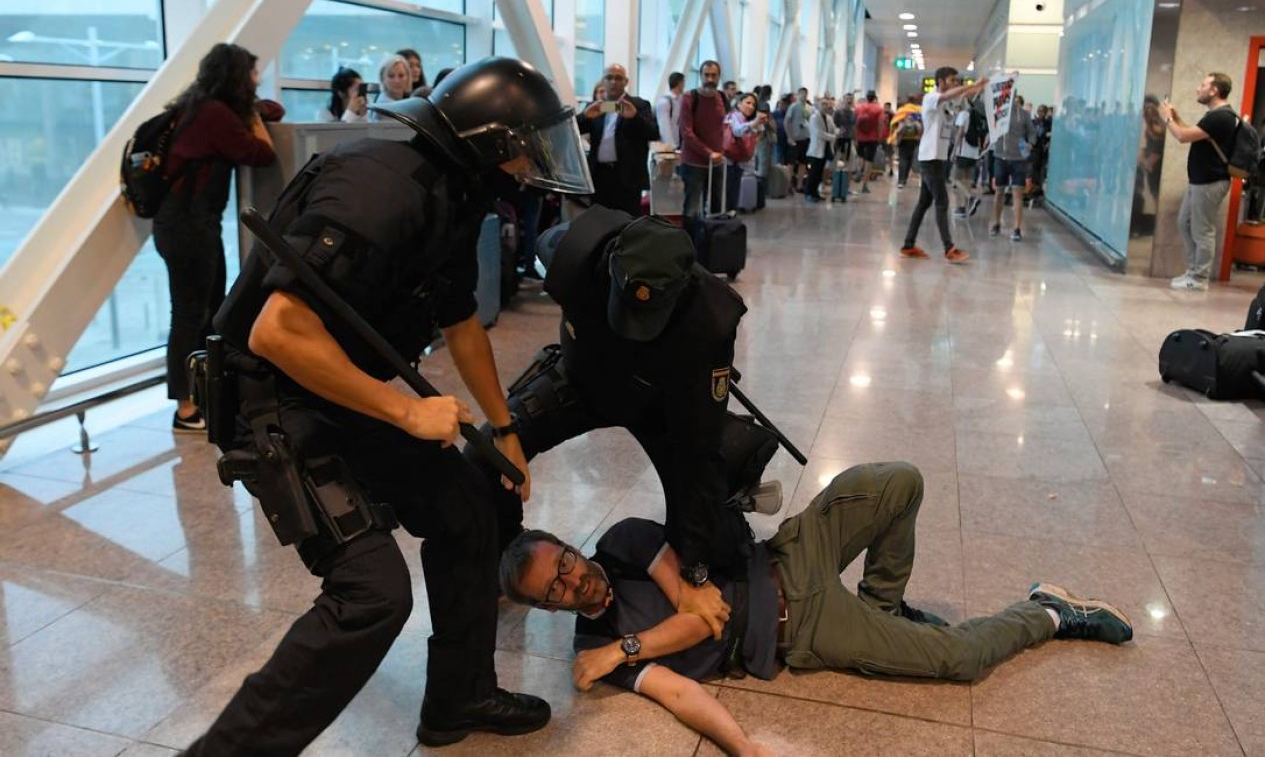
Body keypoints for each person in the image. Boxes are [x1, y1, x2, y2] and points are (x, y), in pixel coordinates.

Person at [183, 57, 595, 754]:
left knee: (469, 504)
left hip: (337, 388)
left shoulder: (456, 200)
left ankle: (457, 699)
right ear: (492, 145)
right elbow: (277, 332)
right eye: (526, 144)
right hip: (273, 400)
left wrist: (505, 429)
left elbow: (461, 323)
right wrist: (405, 413)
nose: (534, 160)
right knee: (372, 594)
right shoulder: (379, 190)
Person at [499, 462, 1133, 756]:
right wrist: (743, 748)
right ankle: (1050, 612)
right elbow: (680, 695)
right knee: (961, 658)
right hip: (801, 626)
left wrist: (625, 646)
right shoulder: (594, 652)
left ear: (567, 546)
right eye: (551, 591)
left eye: (563, 564)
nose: (571, 582)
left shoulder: (623, 543)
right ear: (542, 609)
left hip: (791, 550)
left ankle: (886, 606)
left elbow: (702, 613)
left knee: (900, 482)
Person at [466, 206, 781, 602]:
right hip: (581, 381)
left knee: (714, 544)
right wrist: (505, 432)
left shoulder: (711, 322)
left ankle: (713, 537)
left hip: (661, 404)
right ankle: (505, 553)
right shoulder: (572, 251)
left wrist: (694, 565)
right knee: (485, 455)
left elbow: (697, 449)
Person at [154, 43, 276, 432]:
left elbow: (274, 110)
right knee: (190, 315)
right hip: (187, 226)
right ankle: (185, 408)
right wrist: (254, 112)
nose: (256, 80)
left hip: (188, 224)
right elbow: (260, 153)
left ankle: (206, 395)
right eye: (253, 74)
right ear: (237, 76)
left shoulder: (201, 107)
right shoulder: (214, 115)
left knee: (209, 311)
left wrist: (255, 109)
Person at [898, 67, 988, 264]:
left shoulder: (949, 101)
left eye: (957, 80)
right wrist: (972, 85)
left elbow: (963, 93)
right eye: (952, 79)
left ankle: (908, 244)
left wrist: (981, 85)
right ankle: (949, 248)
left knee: (924, 203)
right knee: (942, 201)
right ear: (941, 81)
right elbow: (954, 93)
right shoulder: (931, 98)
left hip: (938, 159)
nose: (955, 82)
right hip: (929, 159)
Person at [1160, 72, 1240, 290]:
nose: (1198, 88)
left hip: (1210, 181)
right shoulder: (1215, 116)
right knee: (1185, 223)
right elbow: (1190, 132)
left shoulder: (1220, 116)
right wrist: (1175, 118)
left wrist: (1167, 118)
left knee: (1202, 230)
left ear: (1214, 90)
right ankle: (1194, 271)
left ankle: (1199, 278)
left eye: (1203, 84)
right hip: (1201, 181)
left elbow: (1182, 136)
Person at [577, 63, 659, 216]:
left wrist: (635, 117)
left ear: (626, 82)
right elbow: (574, 131)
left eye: (618, 78)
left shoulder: (639, 105)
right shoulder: (596, 107)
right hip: (599, 177)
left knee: (626, 225)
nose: (613, 82)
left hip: (627, 179)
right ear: (603, 81)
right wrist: (584, 116)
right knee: (598, 222)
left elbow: (653, 133)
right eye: (609, 78)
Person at [680, 60, 728, 220]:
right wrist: (708, 153)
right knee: (692, 208)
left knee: (716, 207)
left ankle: (712, 242)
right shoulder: (690, 97)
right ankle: (690, 241)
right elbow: (687, 132)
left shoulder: (722, 97)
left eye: (714, 75)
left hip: (717, 162)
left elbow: (724, 125)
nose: (710, 79)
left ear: (719, 77)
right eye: (706, 75)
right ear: (700, 76)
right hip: (694, 162)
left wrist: (721, 151)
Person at [989, 95, 1036, 242]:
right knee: (999, 192)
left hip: (1018, 159)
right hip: (1001, 156)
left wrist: (1030, 145)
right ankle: (996, 223)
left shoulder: (1023, 115)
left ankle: (1017, 228)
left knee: (1017, 193)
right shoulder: (998, 113)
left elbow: (1032, 132)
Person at [723, 92, 762, 211]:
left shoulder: (745, 119)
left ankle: (729, 216)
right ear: (739, 104)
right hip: (729, 160)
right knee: (729, 192)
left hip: (737, 161)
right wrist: (754, 123)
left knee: (733, 192)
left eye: (753, 105)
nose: (751, 107)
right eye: (748, 103)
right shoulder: (734, 116)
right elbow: (737, 131)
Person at [951, 98, 987, 220]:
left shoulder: (963, 114)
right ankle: (963, 208)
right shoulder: (978, 115)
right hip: (974, 152)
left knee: (955, 179)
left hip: (963, 151)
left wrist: (954, 151)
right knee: (966, 180)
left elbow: (960, 133)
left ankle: (971, 198)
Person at [803, 97, 836, 203]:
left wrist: (837, 132)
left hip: (825, 149)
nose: (826, 107)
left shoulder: (829, 118)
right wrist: (833, 137)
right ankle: (808, 193)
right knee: (813, 173)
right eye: (823, 104)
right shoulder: (814, 118)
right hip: (816, 150)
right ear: (818, 106)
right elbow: (818, 133)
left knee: (819, 173)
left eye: (827, 104)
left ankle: (815, 193)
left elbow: (834, 129)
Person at [889, 94, 924, 189]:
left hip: (903, 138)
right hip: (915, 138)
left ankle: (901, 180)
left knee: (903, 159)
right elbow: (923, 123)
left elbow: (893, 123)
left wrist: (893, 136)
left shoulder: (902, 110)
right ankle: (904, 179)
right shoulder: (919, 110)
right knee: (910, 159)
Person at [852, 91, 884, 194]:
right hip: (872, 138)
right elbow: (880, 124)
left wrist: (855, 136)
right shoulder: (878, 109)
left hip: (860, 137)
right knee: (869, 161)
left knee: (860, 156)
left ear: (866, 97)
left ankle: (858, 171)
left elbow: (854, 123)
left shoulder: (858, 107)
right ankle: (865, 185)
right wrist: (879, 137)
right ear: (875, 98)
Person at [783, 87, 811, 192]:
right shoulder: (793, 107)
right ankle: (788, 185)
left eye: (805, 94)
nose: (803, 95)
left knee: (803, 162)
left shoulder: (809, 108)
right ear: (798, 94)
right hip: (795, 138)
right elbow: (787, 121)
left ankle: (799, 184)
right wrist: (789, 136)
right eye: (801, 93)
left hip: (805, 138)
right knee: (791, 163)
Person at [369, 54, 411, 118]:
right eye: (391, 76)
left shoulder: (402, 104)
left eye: (401, 75)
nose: (397, 81)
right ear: (382, 78)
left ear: (408, 77)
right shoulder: (383, 108)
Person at [655, 71, 685, 150]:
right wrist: (671, 146)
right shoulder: (664, 101)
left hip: (678, 144)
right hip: (668, 147)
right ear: (679, 83)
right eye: (683, 82)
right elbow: (664, 126)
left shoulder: (680, 100)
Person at [833, 92, 856, 165]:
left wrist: (855, 138)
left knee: (847, 158)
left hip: (849, 138)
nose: (849, 101)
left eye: (851, 99)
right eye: (848, 99)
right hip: (839, 138)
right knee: (838, 158)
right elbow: (833, 125)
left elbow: (854, 125)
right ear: (844, 100)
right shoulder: (838, 112)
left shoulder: (853, 112)